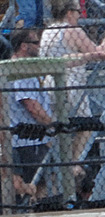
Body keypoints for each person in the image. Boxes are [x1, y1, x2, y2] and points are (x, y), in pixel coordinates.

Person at [39, 0, 105, 183]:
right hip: (71, 85)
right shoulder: (73, 31)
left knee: (61, 128)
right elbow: (96, 53)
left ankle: (62, 164)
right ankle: (73, 163)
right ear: (68, 13)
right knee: (87, 125)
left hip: (50, 85)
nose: (80, 15)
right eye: (77, 11)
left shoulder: (47, 32)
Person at [8, 28, 54, 203]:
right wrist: (52, 125)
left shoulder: (24, 67)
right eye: (35, 43)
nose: (39, 46)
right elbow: (30, 104)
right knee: (29, 187)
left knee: (40, 184)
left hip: (32, 139)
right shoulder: (20, 69)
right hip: (28, 140)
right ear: (24, 46)